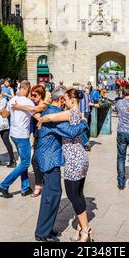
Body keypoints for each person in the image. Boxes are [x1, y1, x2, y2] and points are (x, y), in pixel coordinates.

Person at [34, 88, 88, 242]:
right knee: (52, 194)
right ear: (62, 100)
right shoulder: (54, 115)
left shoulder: (52, 112)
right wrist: (84, 121)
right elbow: (71, 132)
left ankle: (46, 230)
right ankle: (43, 233)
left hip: (48, 157)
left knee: (51, 194)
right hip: (49, 158)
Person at [0, 81, 44, 198]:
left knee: (22, 161)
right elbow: (37, 116)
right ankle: (4, 185)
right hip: (22, 135)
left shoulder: (12, 100)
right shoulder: (28, 102)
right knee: (25, 163)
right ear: (27, 89)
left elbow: (5, 114)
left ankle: (25, 187)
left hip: (13, 134)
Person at [29, 85, 48, 198]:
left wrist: (20, 106)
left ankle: (39, 186)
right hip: (37, 135)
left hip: (44, 137)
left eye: (34, 95)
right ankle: (40, 184)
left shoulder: (44, 106)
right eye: (31, 95)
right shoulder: (34, 105)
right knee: (36, 161)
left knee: (35, 160)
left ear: (40, 95)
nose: (32, 97)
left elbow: (39, 116)